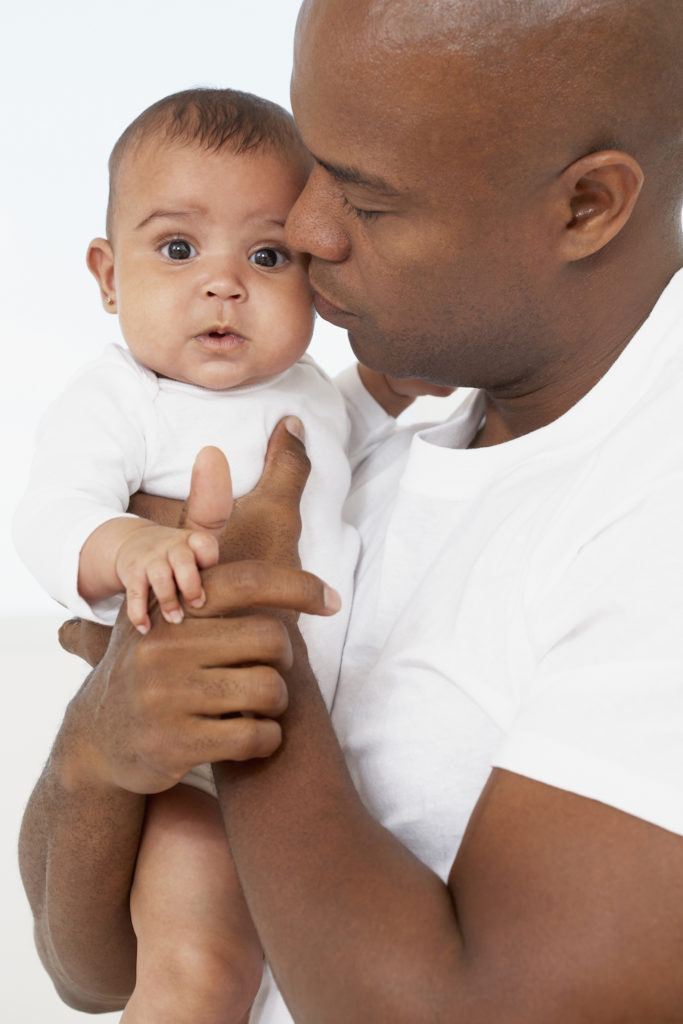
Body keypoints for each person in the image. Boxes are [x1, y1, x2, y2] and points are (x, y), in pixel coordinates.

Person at [19, 0, 683, 1021]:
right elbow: (92, 970)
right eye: (314, 161)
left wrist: (245, 637)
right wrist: (97, 743)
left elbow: (475, 1010)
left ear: (586, 206)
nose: (304, 227)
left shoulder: (647, 501)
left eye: (367, 204)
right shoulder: (382, 422)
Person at [13, 87, 419, 1024]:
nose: (224, 282)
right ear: (107, 276)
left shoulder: (320, 395)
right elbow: (48, 515)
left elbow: (400, 406)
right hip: (184, 760)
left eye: (267, 254)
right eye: (179, 248)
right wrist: (133, 545)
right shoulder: (121, 397)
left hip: (312, 759)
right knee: (197, 971)